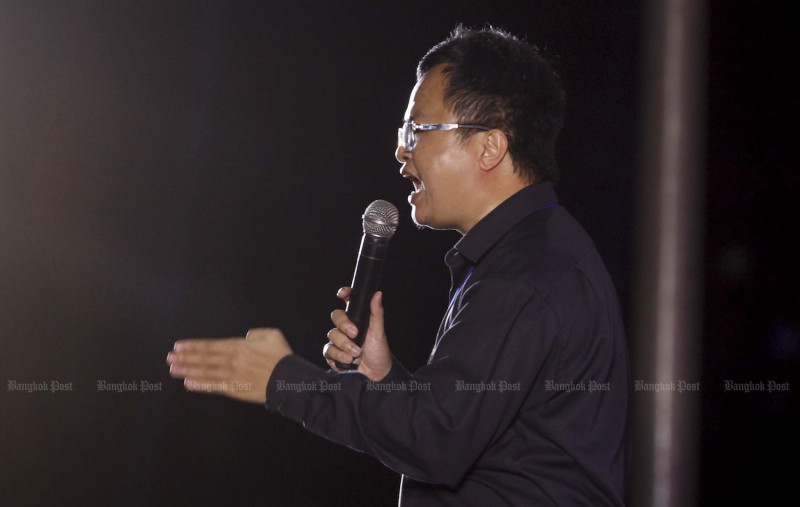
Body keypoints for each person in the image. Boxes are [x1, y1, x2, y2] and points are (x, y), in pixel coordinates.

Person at [167, 25, 629, 506]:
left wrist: (284, 380)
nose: (401, 150)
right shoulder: (535, 251)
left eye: (417, 131)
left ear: (490, 147)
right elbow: (469, 432)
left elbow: (435, 441)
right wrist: (387, 380)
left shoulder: (527, 272)